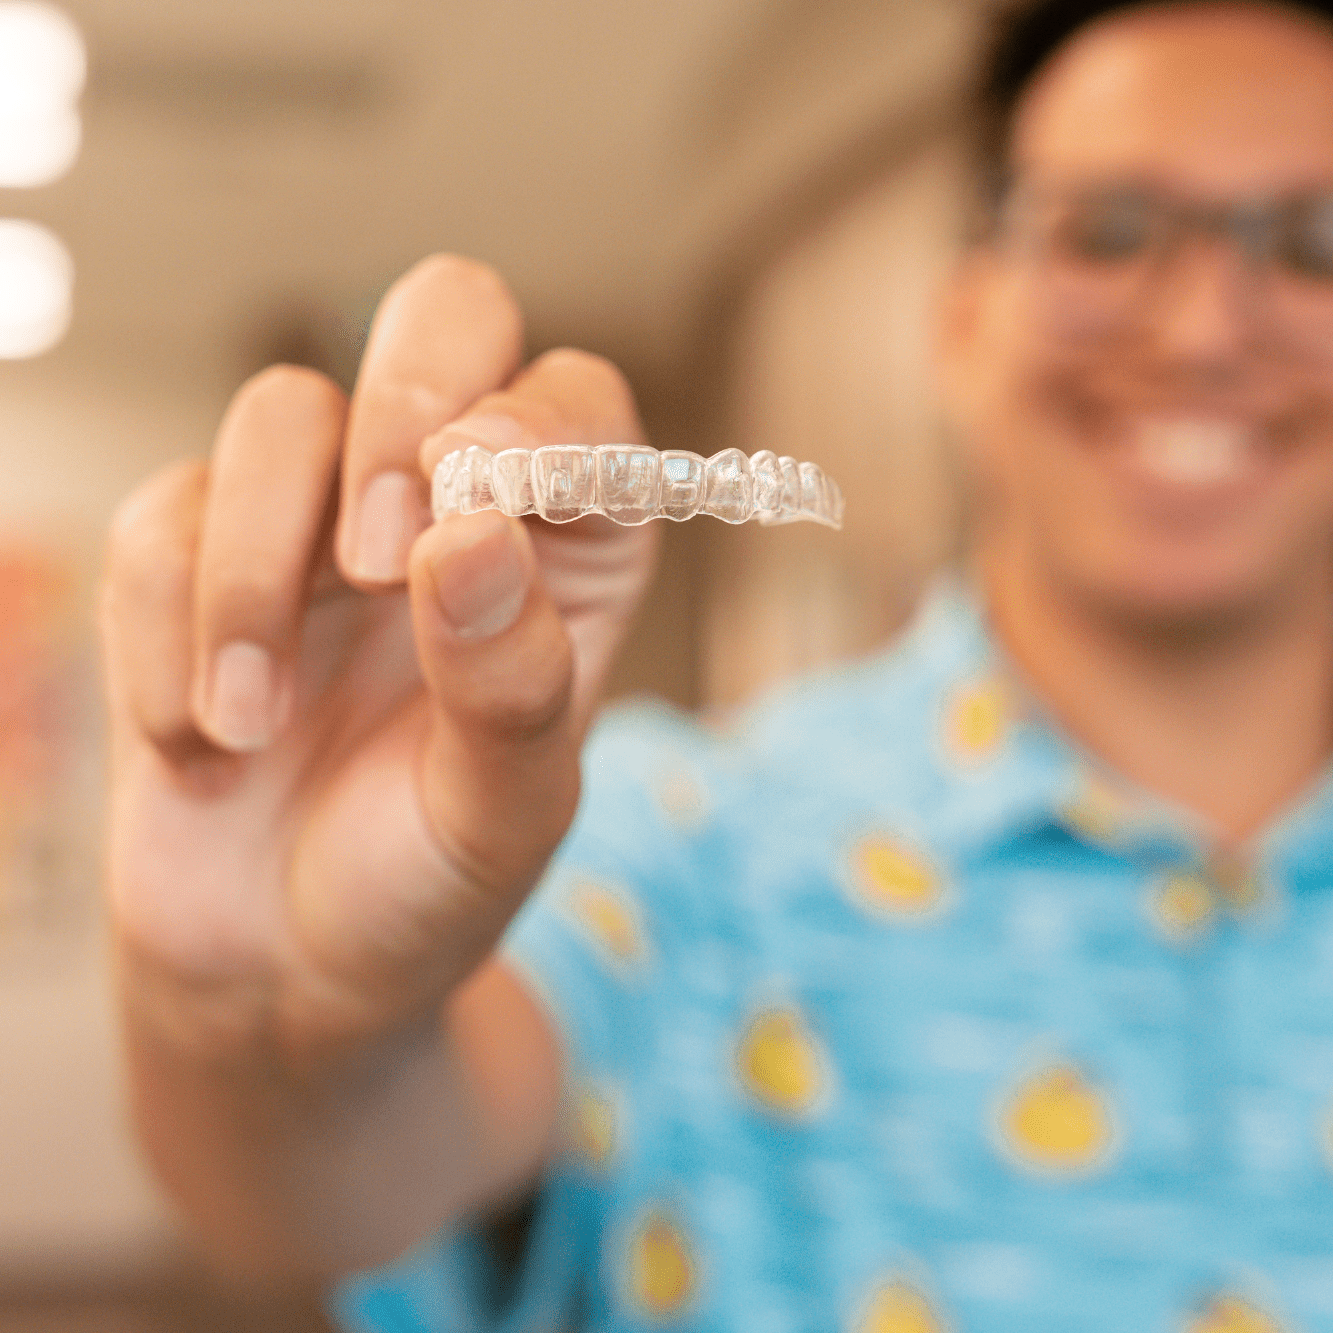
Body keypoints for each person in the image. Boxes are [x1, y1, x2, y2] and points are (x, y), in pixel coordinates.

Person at [100, 0, 1333, 1327]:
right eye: (1111, 232)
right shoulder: (678, 846)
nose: (1207, 328)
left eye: (1316, 242)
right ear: (962, 319)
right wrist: (270, 1031)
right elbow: (332, 1177)